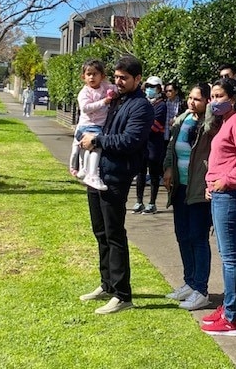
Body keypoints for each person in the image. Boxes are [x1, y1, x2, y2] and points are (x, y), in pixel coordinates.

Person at [78, 55, 154, 315]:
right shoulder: (117, 99)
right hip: (97, 173)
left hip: (115, 176)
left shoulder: (141, 106)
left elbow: (130, 140)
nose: (119, 81)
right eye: (117, 76)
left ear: (137, 79)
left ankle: (123, 294)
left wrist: (97, 142)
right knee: (100, 232)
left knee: (114, 234)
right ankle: (107, 283)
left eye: (124, 78)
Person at [200, 77, 236, 336]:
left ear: (233, 98)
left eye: (219, 96)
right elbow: (222, 159)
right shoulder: (225, 122)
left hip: (231, 196)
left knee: (231, 258)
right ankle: (227, 308)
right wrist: (211, 181)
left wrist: (226, 181)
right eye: (212, 96)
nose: (214, 101)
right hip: (221, 194)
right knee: (227, 257)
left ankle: (232, 317)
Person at [163, 83, 217, 311]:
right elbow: (171, 147)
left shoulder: (211, 124)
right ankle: (189, 281)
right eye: (190, 98)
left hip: (199, 189)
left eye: (198, 99)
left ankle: (201, 289)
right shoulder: (182, 119)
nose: (192, 102)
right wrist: (167, 167)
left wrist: (213, 108)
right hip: (180, 187)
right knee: (182, 235)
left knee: (198, 237)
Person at [69, 59, 117, 191]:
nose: (92, 77)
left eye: (95, 74)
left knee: (91, 149)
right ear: (83, 76)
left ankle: (85, 170)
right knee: (96, 147)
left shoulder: (104, 87)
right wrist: (104, 101)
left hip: (99, 126)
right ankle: (92, 174)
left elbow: (114, 89)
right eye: (88, 74)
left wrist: (113, 91)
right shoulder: (84, 92)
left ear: (102, 76)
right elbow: (85, 108)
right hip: (88, 125)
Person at [132, 76, 166, 214]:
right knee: (140, 173)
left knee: (153, 174)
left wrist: (142, 124)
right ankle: (139, 201)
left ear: (159, 89)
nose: (149, 89)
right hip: (143, 145)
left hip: (154, 145)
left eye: (153, 87)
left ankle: (152, 202)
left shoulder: (161, 105)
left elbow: (156, 126)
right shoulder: (144, 103)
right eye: (148, 87)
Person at [163, 82, 183, 147]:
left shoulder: (182, 103)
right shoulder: (164, 102)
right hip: (166, 130)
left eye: (170, 91)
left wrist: (176, 119)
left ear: (176, 91)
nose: (168, 93)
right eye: (166, 91)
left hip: (178, 129)